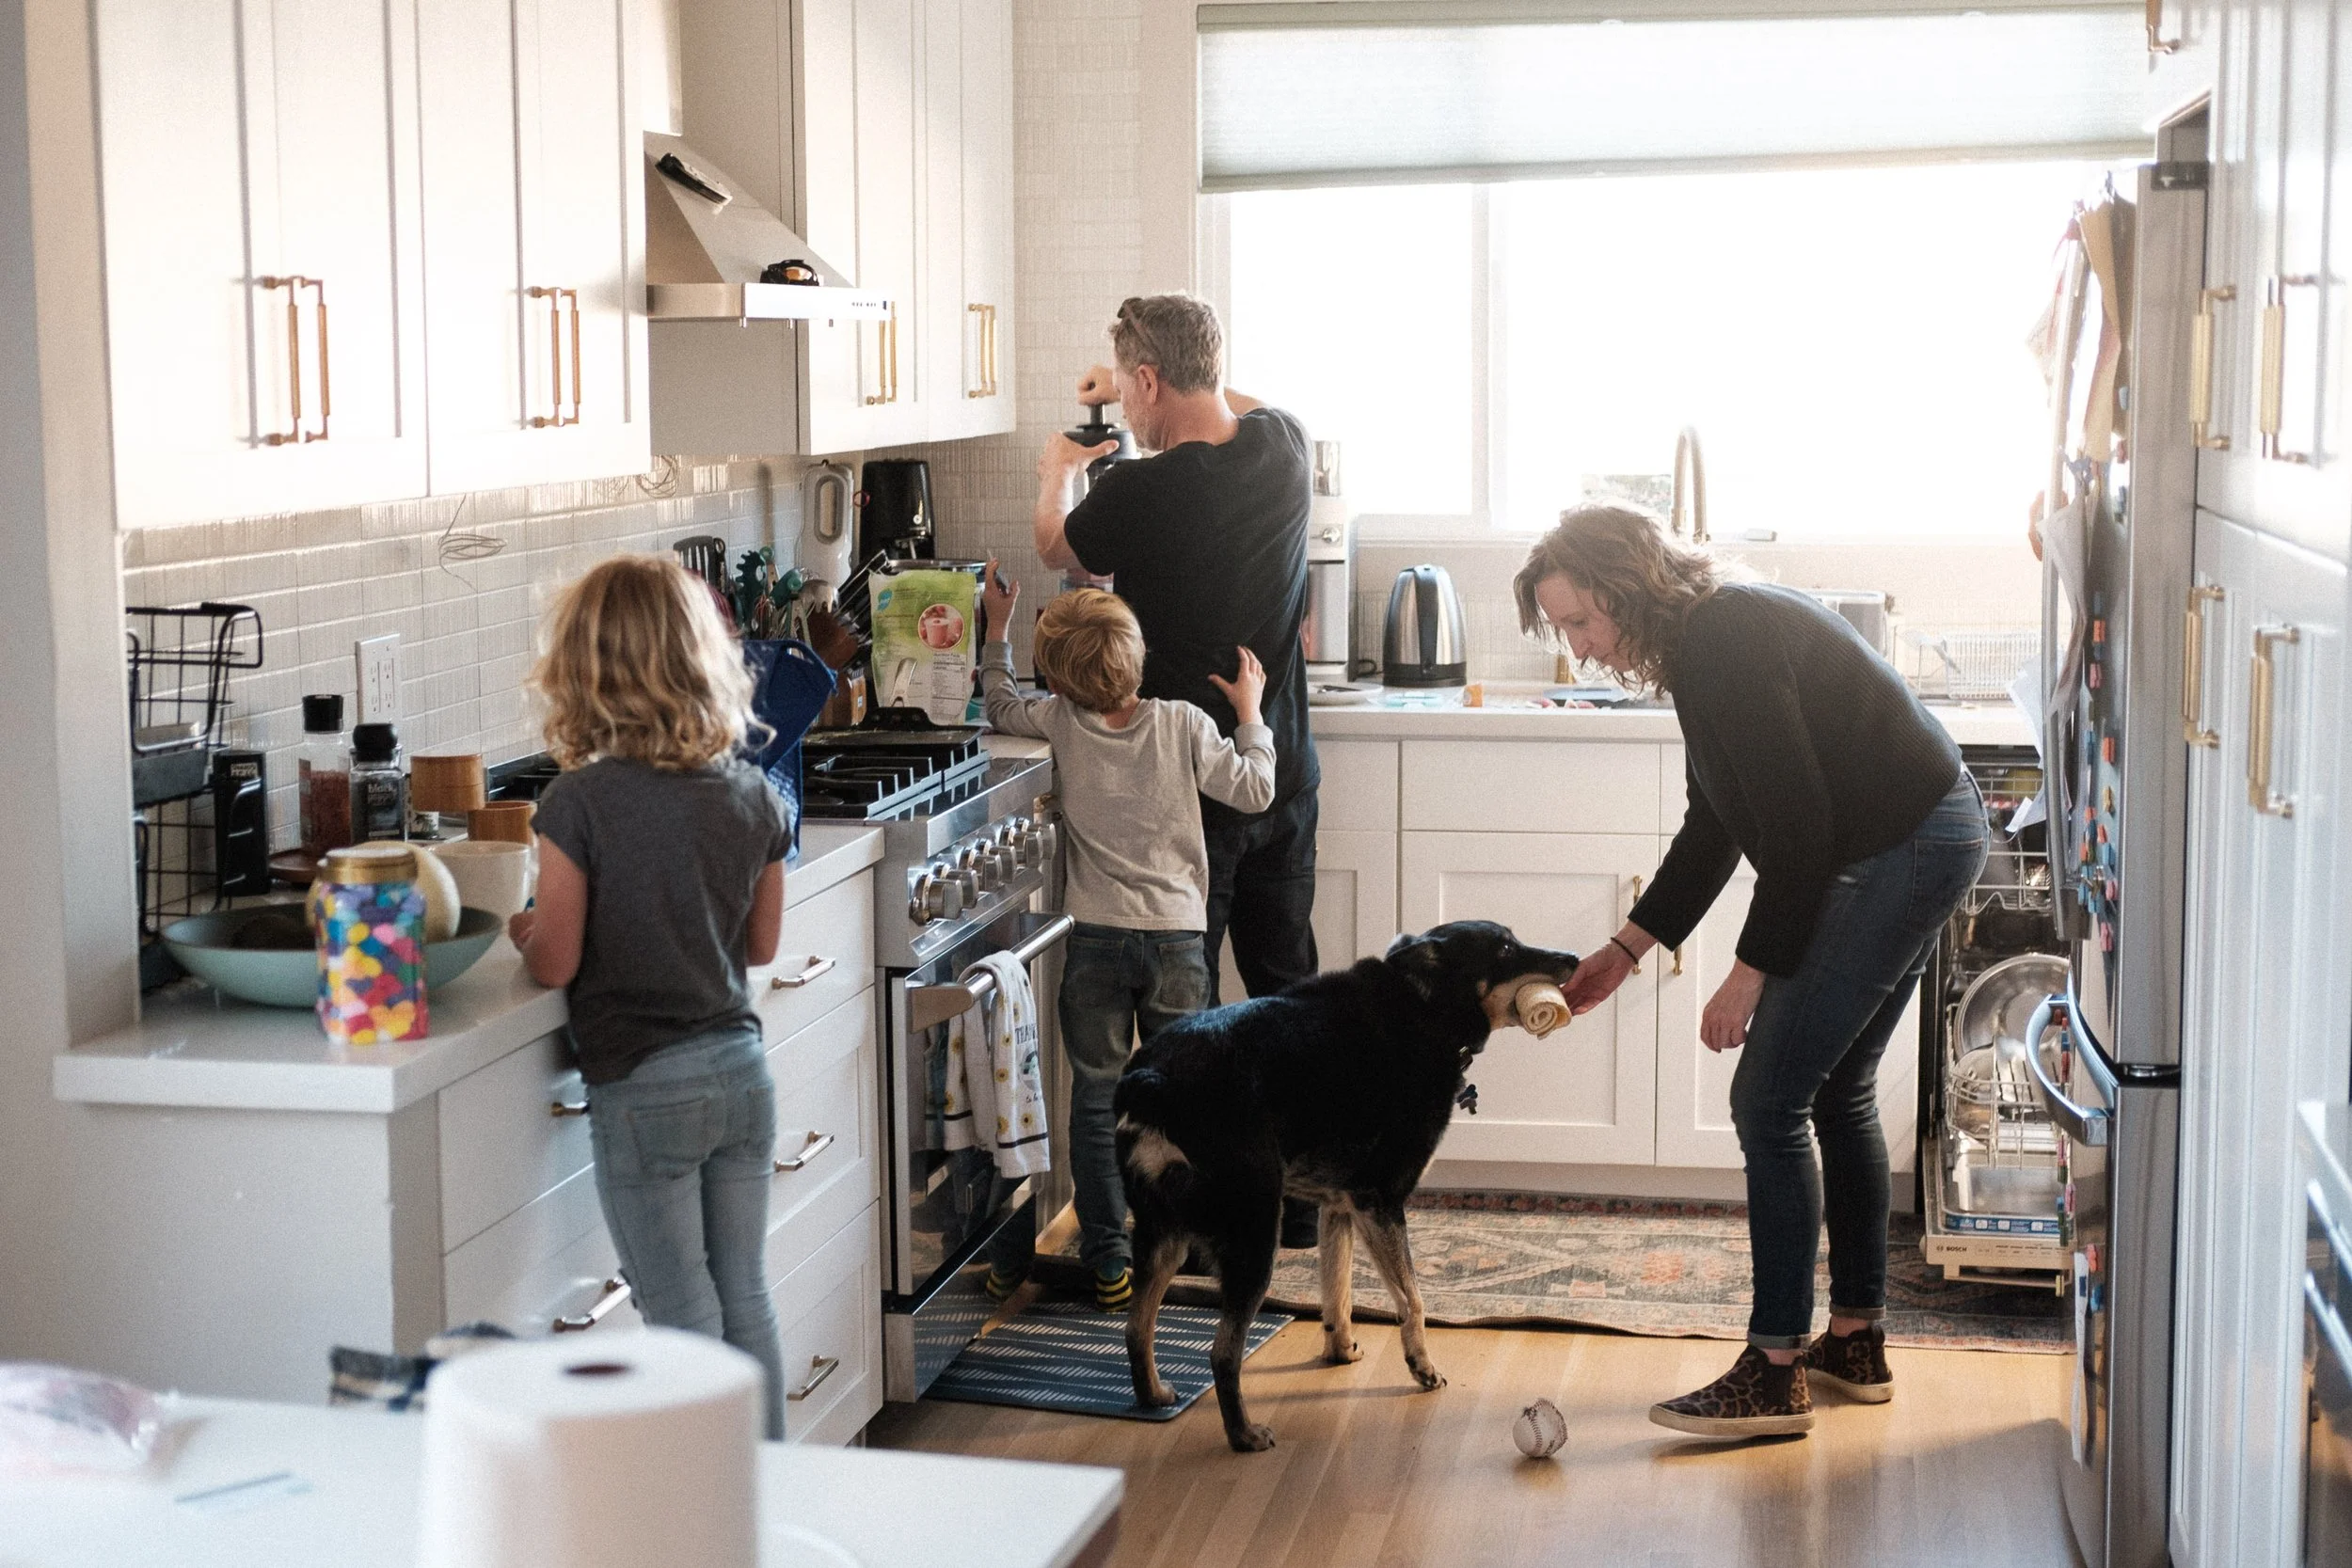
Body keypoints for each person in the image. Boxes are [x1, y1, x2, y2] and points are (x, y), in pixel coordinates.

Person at [1522, 506, 1988, 1440]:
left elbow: (1799, 829)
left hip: (1902, 844)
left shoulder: (1723, 640)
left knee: (1766, 1097)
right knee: (1839, 1087)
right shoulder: (1708, 639)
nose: (1578, 647)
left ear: (1624, 587)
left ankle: (1772, 1370)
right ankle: (1852, 1339)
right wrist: (1625, 949)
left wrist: (1750, 970)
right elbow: (1718, 822)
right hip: (1927, 832)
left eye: (1579, 622)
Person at [1031, 293, 1324, 1248]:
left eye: (1126, 389)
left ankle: (1187, 1224)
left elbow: (1055, 550)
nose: (1122, 408)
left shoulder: (1136, 492)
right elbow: (1223, 395)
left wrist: (1055, 468)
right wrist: (1158, 371)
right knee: (1285, 991)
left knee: (1184, 1027)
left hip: (1188, 791)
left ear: (1149, 380)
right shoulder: (1283, 446)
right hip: (1276, 765)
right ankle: (1295, 1210)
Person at [508, 554, 792, 1437]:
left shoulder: (577, 803)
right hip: (743, 1077)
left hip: (646, 1090)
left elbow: (554, 961)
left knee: (681, 1317)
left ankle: (704, 1518)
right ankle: (768, 1494)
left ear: (583, 675)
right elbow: (761, 946)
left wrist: (522, 929)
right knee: (744, 1297)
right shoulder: (753, 794)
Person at [975, 568, 1276, 1308]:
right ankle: (1190, 1242)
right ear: (1136, 657)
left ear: (1059, 676)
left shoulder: (1060, 722)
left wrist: (995, 630)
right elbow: (1255, 788)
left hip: (1098, 941)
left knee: (1098, 1099)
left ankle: (1108, 1253)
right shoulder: (1181, 723)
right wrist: (1252, 714)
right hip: (1176, 940)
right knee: (1185, 1103)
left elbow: (1002, 704)